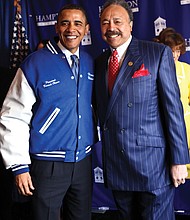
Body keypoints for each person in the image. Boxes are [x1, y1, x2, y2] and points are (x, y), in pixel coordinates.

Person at [0, 4, 97, 220]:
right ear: (56, 28)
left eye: (78, 23)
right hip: (47, 165)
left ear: (87, 29)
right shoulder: (35, 63)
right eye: (65, 23)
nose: (71, 28)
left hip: (82, 163)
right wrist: (19, 166)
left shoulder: (91, 63)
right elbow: (13, 115)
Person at [94, 0, 189, 219]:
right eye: (105, 22)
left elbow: (173, 111)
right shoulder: (100, 63)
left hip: (153, 165)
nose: (111, 27)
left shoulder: (156, 53)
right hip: (118, 163)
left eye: (117, 21)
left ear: (130, 24)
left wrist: (179, 160)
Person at [155, 27, 190, 178]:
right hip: (160, 127)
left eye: (177, 50)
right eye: (170, 50)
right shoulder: (154, 68)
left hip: (186, 126)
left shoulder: (187, 69)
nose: (174, 55)